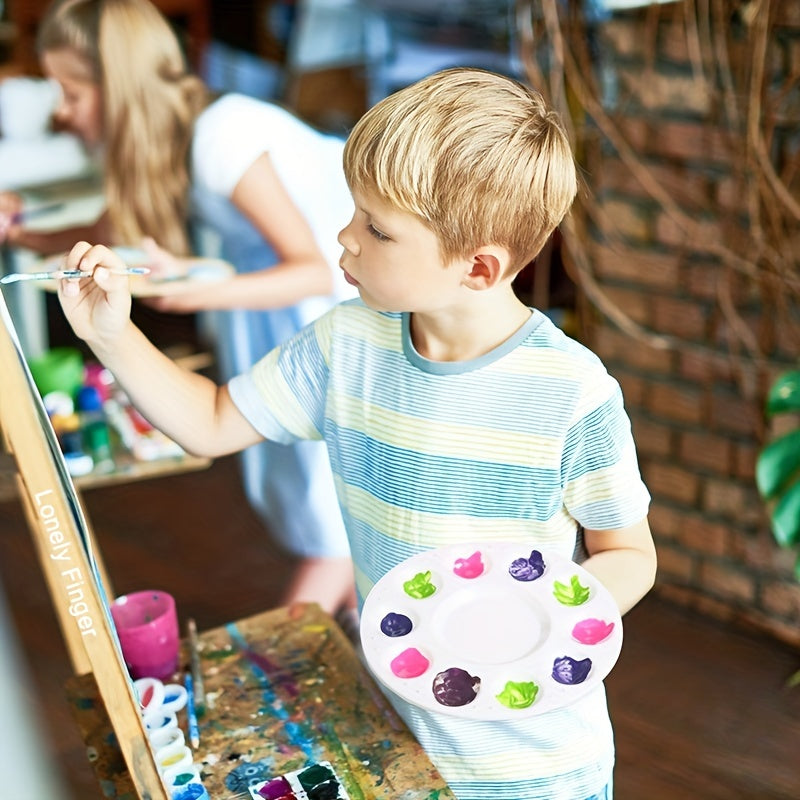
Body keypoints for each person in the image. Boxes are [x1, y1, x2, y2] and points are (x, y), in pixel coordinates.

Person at [54, 67, 657, 800]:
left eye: (377, 229)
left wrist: (530, 621)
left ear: (479, 266)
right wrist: (113, 337)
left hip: (530, 767)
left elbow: (626, 554)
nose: (343, 237)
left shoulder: (573, 392)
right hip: (392, 744)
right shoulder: (347, 343)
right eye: (353, 212)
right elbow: (211, 423)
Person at [0, 0, 357, 616]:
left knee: (328, 519)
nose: (63, 111)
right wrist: (20, 231)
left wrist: (192, 290)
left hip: (326, 308)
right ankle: (351, 629)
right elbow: (98, 231)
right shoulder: (170, 140)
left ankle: (280, 665)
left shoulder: (225, 137)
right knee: (307, 497)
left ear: (119, 86)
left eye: (72, 92)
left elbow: (313, 268)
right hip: (277, 304)